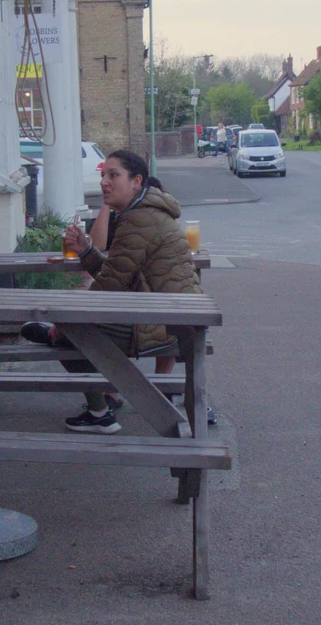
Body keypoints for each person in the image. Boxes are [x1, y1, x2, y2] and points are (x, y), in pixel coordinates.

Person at [41, 149, 201, 434]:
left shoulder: (140, 219)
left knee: (72, 333)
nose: (104, 181)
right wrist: (87, 251)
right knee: (69, 327)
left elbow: (111, 285)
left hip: (165, 323)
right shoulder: (141, 213)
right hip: (170, 316)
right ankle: (99, 402)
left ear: (136, 181)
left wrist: (68, 321)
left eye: (113, 175)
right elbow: (118, 274)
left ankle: (99, 413)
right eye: (103, 175)